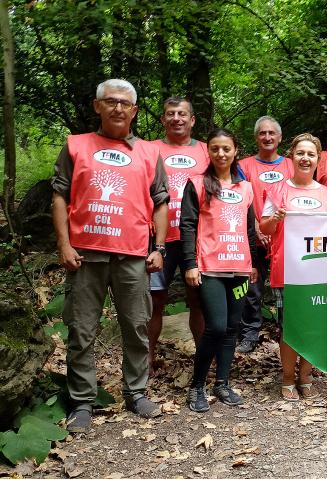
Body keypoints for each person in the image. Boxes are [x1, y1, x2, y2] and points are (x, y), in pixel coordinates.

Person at [52, 79, 167, 433]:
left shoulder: (149, 152)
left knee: (136, 325)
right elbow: (59, 196)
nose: (118, 108)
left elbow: (161, 200)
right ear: (97, 106)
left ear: (134, 111)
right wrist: (64, 243)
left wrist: (159, 247)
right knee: (82, 328)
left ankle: (136, 393)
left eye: (125, 103)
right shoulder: (77, 146)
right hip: (85, 254)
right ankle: (83, 401)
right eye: (111, 101)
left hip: (132, 253)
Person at [181, 128, 260, 413]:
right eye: (215, 148)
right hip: (209, 268)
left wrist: (251, 264)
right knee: (214, 327)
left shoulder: (246, 187)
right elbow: (187, 225)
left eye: (226, 148)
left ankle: (223, 383)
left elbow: (250, 230)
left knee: (231, 329)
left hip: (239, 267)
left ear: (235, 150)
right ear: (209, 152)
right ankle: (197, 386)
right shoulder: (198, 183)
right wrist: (190, 264)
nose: (221, 154)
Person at [260, 133, 327, 401]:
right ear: (291, 156)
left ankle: (305, 375)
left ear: (318, 160)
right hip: (287, 270)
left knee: (314, 324)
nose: (305, 158)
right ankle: (286, 377)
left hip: (318, 271)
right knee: (290, 327)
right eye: (301, 153)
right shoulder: (277, 190)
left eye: (311, 154)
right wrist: (275, 218)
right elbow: (264, 228)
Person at [148, 97, 209, 369]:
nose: (176, 118)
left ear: (192, 119)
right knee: (154, 300)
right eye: (170, 114)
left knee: (198, 300)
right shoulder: (149, 150)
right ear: (163, 120)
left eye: (182, 113)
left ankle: (204, 357)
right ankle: (146, 359)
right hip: (158, 237)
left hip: (196, 239)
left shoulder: (208, 151)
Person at [236, 116, 293, 353]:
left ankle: (289, 331)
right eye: (262, 133)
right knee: (252, 286)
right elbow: (240, 199)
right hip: (254, 236)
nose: (267, 137)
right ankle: (250, 333)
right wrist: (258, 226)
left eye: (272, 133)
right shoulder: (244, 165)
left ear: (279, 138)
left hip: (287, 239)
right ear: (256, 137)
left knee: (289, 287)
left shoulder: (291, 164)